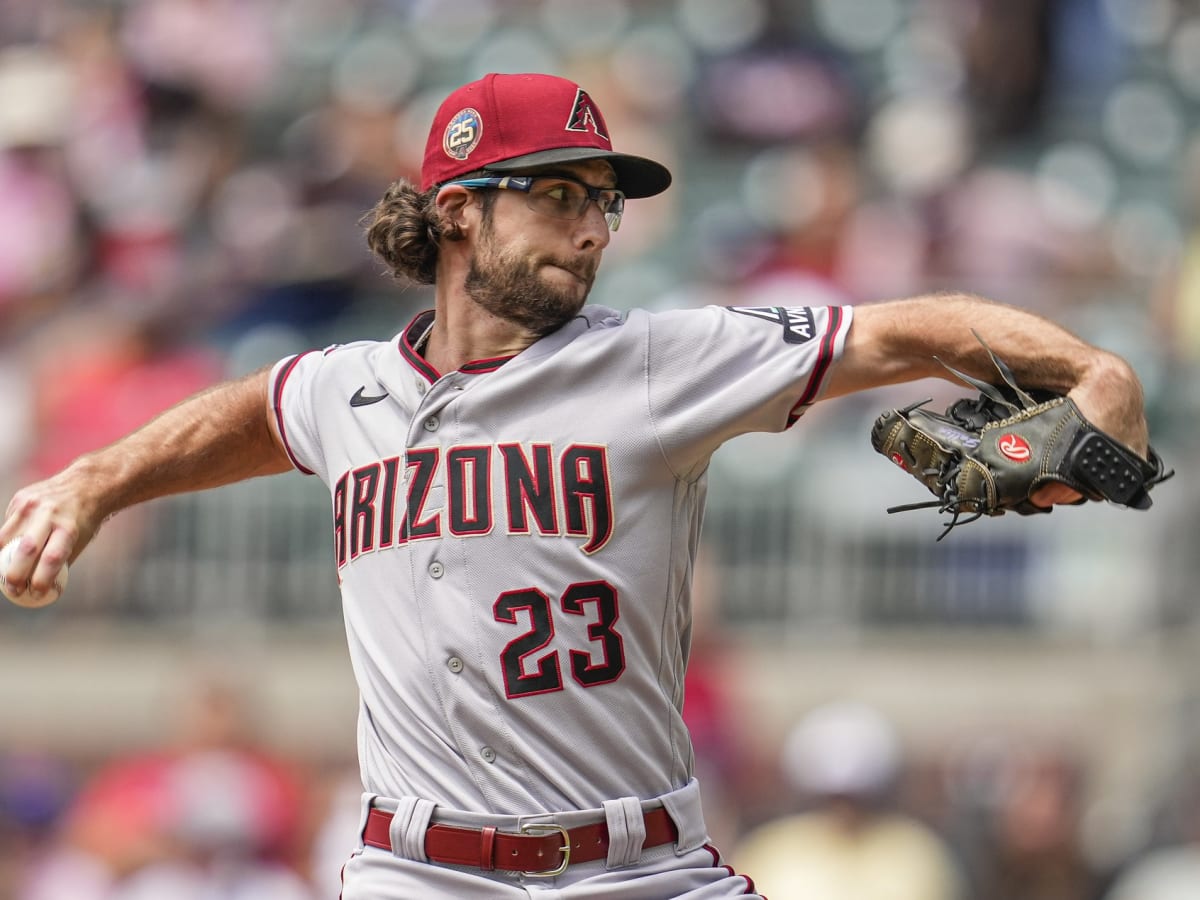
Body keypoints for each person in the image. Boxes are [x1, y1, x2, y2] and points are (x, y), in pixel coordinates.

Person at [0, 72, 1155, 899]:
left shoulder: (656, 360)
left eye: (602, 199)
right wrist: (94, 481)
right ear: (459, 209)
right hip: (418, 870)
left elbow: (903, 331)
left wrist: (1089, 370)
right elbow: (251, 412)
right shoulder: (345, 389)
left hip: (643, 867)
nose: (593, 227)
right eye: (556, 193)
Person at [731, 700, 964, 900]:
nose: (844, 811)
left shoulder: (917, 855)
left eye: (855, 799)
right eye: (833, 799)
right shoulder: (769, 853)